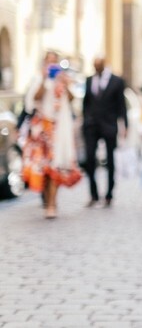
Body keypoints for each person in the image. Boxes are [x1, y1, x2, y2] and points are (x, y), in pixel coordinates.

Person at [22, 50, 79, 219]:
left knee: (55, 165)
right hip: (42, 129)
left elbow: (71, 99)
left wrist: (65, 83)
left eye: (55, 62)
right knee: (43, 167)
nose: (52, 65)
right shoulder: (40, 79)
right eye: (49, 62)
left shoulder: (63, 80)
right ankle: (48, 201)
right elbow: (34, 99)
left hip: (58, 129)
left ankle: (52, 204)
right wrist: (45, 78)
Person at [82, 57, 128, 207]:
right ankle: (94, 194)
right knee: (89, 159)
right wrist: (85, 120)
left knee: (110, 161)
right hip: (91, 126)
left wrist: (124, 125)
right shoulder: (88, 81)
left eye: (98, 65)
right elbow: (86, 103)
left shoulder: (117, 81)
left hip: (109, 125)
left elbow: (122, 105)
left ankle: (109, 194)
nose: (96, 67)